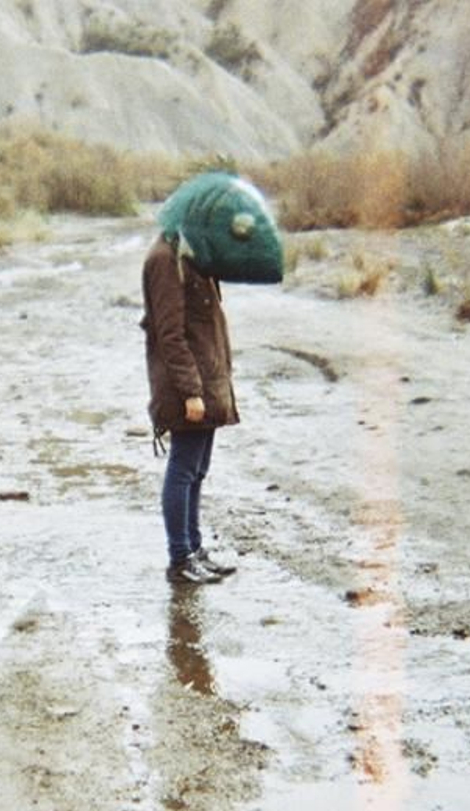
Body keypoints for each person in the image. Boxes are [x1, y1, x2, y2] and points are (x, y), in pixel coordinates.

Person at [141, 172, 284, 585]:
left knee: (197, 469)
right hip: (187, 387)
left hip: (205, 383)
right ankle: (180, 557)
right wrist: (191, 391)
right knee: (183, 469)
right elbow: (170, 335)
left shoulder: (189, 257)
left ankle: (194, 549)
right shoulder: (165, 261)